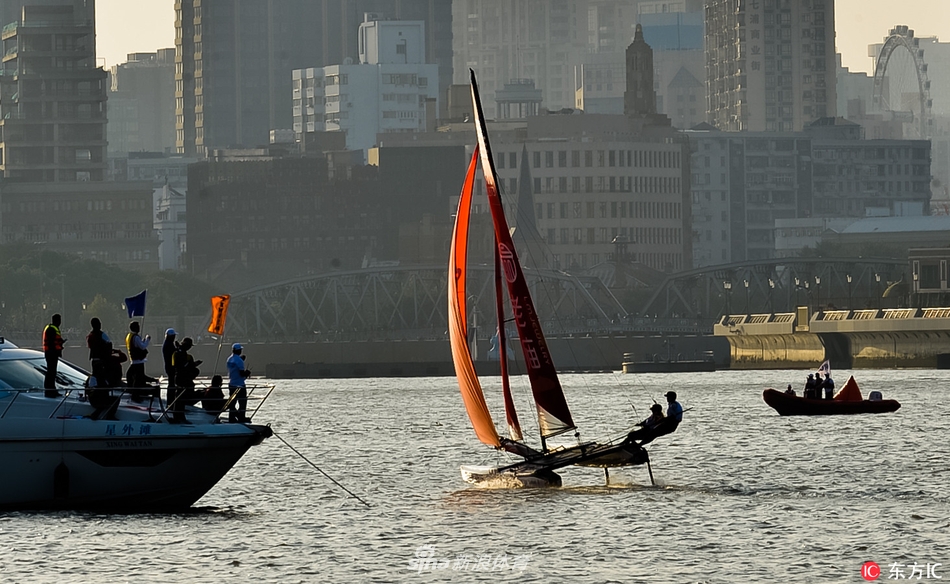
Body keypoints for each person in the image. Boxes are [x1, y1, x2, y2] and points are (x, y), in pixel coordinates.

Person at [170, 337, 201, 423]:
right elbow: (178, 366)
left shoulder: (183, 353)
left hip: (184, 377)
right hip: (180, 378)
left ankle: (180, 417)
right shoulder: (177, 353)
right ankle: (177, 417)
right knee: (179, 398)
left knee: (182, 399)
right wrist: (191, 365)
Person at [226, 343, 251, 423]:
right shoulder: (239, 361)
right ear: (239, 350)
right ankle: (241, 417)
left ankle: (232, 418)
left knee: (232, 403)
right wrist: (247, 373)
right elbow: (241, 373)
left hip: (231, 383)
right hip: (240, 384)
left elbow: (235, 367)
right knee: (242, 402)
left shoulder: (229, 359)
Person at [125, 321, 152, 393]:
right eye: (138, 326)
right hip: (138, 362)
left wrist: (142, 341)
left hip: (134, 361)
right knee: (138, 379)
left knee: (131, 376)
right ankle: (136, 394)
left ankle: (134, 392)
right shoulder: (136, 337)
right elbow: (143, 347)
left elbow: (137, 345)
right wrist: (147, 339)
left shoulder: (129, 336)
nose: (139, 328)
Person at [42, 313, 65, 398]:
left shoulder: (50, 328)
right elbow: (52, 342)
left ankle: (51, 389)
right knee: (51, 372)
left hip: (50, 352)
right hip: (51, 353)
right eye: (59, 320)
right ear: (57, 320)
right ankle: (50, 390)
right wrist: (59, 345)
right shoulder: (52, 329)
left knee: (51, 372)